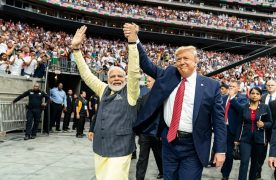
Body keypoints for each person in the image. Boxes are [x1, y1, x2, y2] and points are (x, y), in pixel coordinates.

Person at [124, 23, 226, 180]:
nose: (182, 62)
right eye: (178, 59)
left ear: (196, 61)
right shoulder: (169, 75)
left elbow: (219, 121)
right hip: (169, 142)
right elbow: (147, 65)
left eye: (186, 58)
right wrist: (135, 40)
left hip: (194, 145)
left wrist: (220, 150)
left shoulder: (211, 86)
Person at [71, 25, 140, 180]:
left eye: (120, 76)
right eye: (112, 76)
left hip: (121, 148)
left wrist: (132, 44)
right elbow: (87, 75)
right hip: (100, 146)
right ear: (107, 79)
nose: (116, 79)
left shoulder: (130, 92)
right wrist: (76, 50)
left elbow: (134, 72)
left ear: (125, 79)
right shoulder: (104, 90)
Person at [234, 87, 272, 180]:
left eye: (257, 94)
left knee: (255, 164)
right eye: (253, 93)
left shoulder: (265, 107)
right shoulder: (244, 107)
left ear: (260, 96)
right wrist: (236, 139)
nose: (255, 95)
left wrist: (263, 124)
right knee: (244, 161)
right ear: (249, 95)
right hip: (245, 139)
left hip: (259, 140)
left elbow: (270, 122)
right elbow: (239, 124)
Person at [136, 76, 163, 180]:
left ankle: (162, 172)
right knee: (142, 158)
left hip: (157, 134)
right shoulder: (143, 97)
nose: (147, 83)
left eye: (149, 81)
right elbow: (138, 115)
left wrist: (161, 133)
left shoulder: (163, 98)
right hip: (144, 134)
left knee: (159, 156)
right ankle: (139, 178)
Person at [221, 80, 248, 180]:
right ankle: (224, 169)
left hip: (232, 130)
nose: (231, 88)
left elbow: (241, 110)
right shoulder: (223, 98)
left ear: (238, 88)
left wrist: (232, 98)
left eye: (233, 86)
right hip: (222, 129)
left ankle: (225, 174)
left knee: (229, 154)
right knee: (220, 151)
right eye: (230, 86)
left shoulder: (242, 98)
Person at [257, 79, 276, 179]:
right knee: (261, 152)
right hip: (263, 129)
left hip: (275, 129)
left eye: (272, 85)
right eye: (268, 85)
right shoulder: (262, 97)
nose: (270, 87)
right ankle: (258, 170)